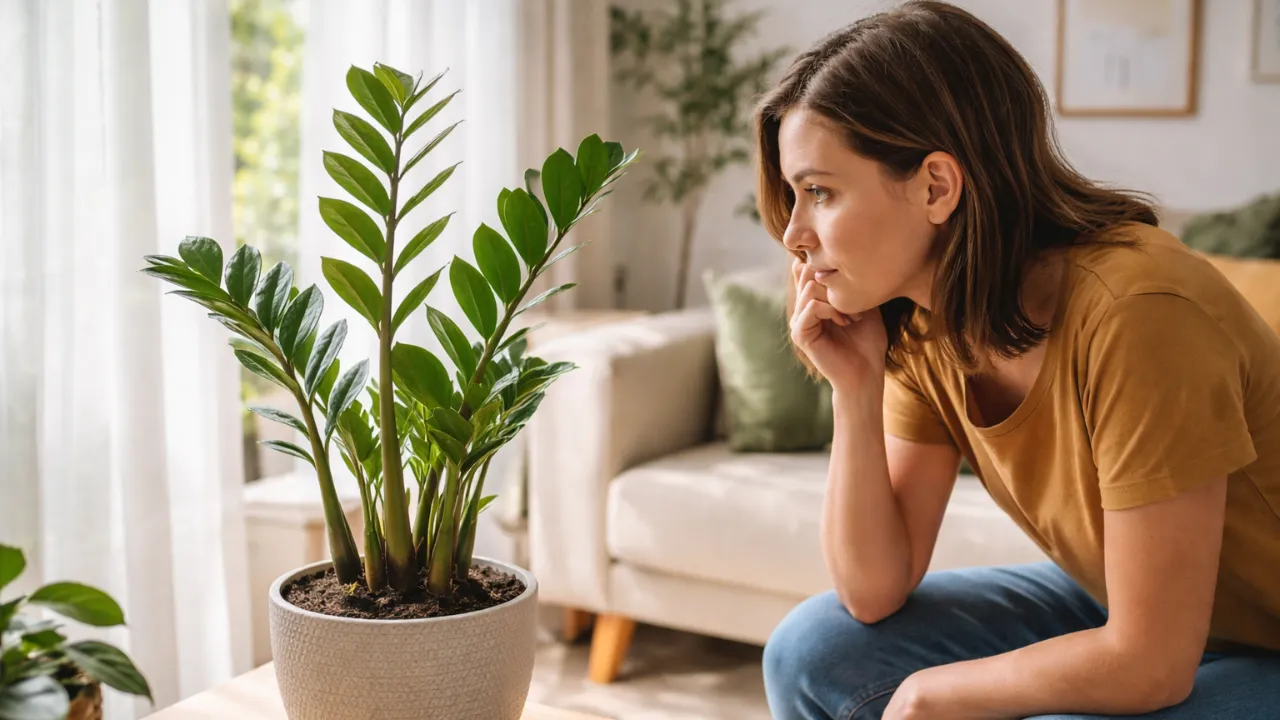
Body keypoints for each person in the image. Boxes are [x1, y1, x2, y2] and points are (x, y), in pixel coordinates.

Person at [755, 2, 1280, 719]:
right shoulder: (920, 322)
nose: (793, 233)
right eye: (793, 195)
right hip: (1141, 609)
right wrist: (856, 387)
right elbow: (873, 589)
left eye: (820, 192)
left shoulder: (1140, 312)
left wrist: (930, 695)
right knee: (813, 651)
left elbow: (1151, 663)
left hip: (1248, 639)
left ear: (937, 186)